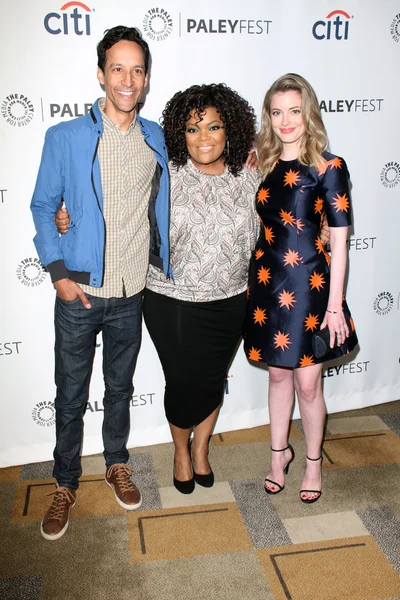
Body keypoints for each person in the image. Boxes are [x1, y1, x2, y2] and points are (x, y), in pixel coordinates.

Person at [30, 25, 171, 540]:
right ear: (101, 74)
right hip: (80, 295)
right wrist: (59, 274)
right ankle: (65, 482)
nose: (127, 79)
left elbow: (198, 167)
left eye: (137, 70)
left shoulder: (156, 137)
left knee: (119, 388)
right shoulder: (65, 137)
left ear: (147, 79)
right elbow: (45, 207)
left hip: (132, 292)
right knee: (70, 395)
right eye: (118, 68)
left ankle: (116, 462)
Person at [244, 73, 358, 503]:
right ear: (268, 117)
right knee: (277, 375)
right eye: (277, 112)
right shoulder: (263, 162)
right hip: (267, 283)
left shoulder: (330, 167)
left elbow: (341, 245)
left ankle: (312, 462)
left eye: (294, 111)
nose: (286, 121)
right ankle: (278, 455)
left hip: (311, 286)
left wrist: (336, 307)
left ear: (307, 113)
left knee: (308, 384)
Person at [143, 84, 260, 493]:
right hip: (171, 299)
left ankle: (201, 449)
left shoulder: (250, 174)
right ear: (180, 134)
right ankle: (180, 451)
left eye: (214, 127)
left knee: (212, 380)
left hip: (230, 299)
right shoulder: (164, 173)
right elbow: (117, 210)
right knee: (182, 381)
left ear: (230, 130)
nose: (205, 138)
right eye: (194, 129)